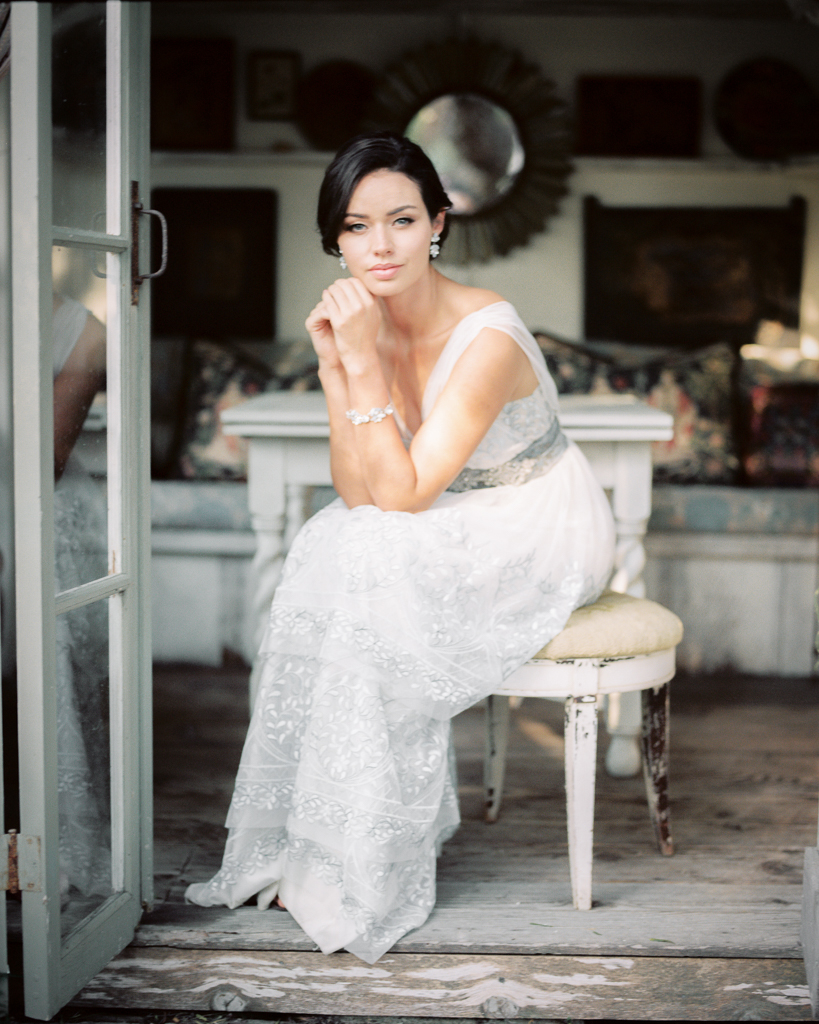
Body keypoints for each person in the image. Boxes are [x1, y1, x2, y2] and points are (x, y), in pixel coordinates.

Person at [186, 131, 615, 963]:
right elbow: (360, 491)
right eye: (354, 227)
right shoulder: (362, 326)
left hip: (540, 518)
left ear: (438, 224)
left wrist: (363, 364)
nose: (378, 246)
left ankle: (366, 860)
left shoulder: (487, 337)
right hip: (451, 511)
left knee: (365, 556)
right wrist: (334, 366)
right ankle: (321, 844)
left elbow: (407, 495)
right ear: (335, 240)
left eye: (401, 220)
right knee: (335, 540)